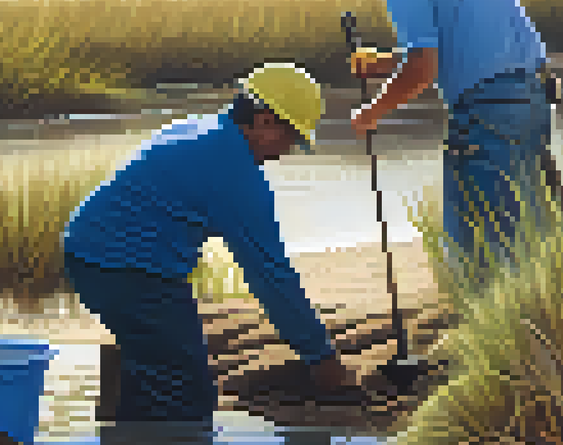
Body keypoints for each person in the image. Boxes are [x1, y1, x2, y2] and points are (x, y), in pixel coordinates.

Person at [62, 63, 357, 424]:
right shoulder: (234, 173)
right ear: (265, 121)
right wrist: (321, 358)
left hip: (92, 254)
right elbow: (271, 275)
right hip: (126, 271)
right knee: (189, 397)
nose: (288, 150)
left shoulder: (203, 130)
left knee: (155, 369)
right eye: (291, 137)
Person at [348, 0, 563, 290]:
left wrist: (373, 111)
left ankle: (486, 329)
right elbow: (457, 47)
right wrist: (381, 64)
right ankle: (548, 315)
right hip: (535, 96)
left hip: (488, 110)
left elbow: (422, 68)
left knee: (473, 227)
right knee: (533, 218)